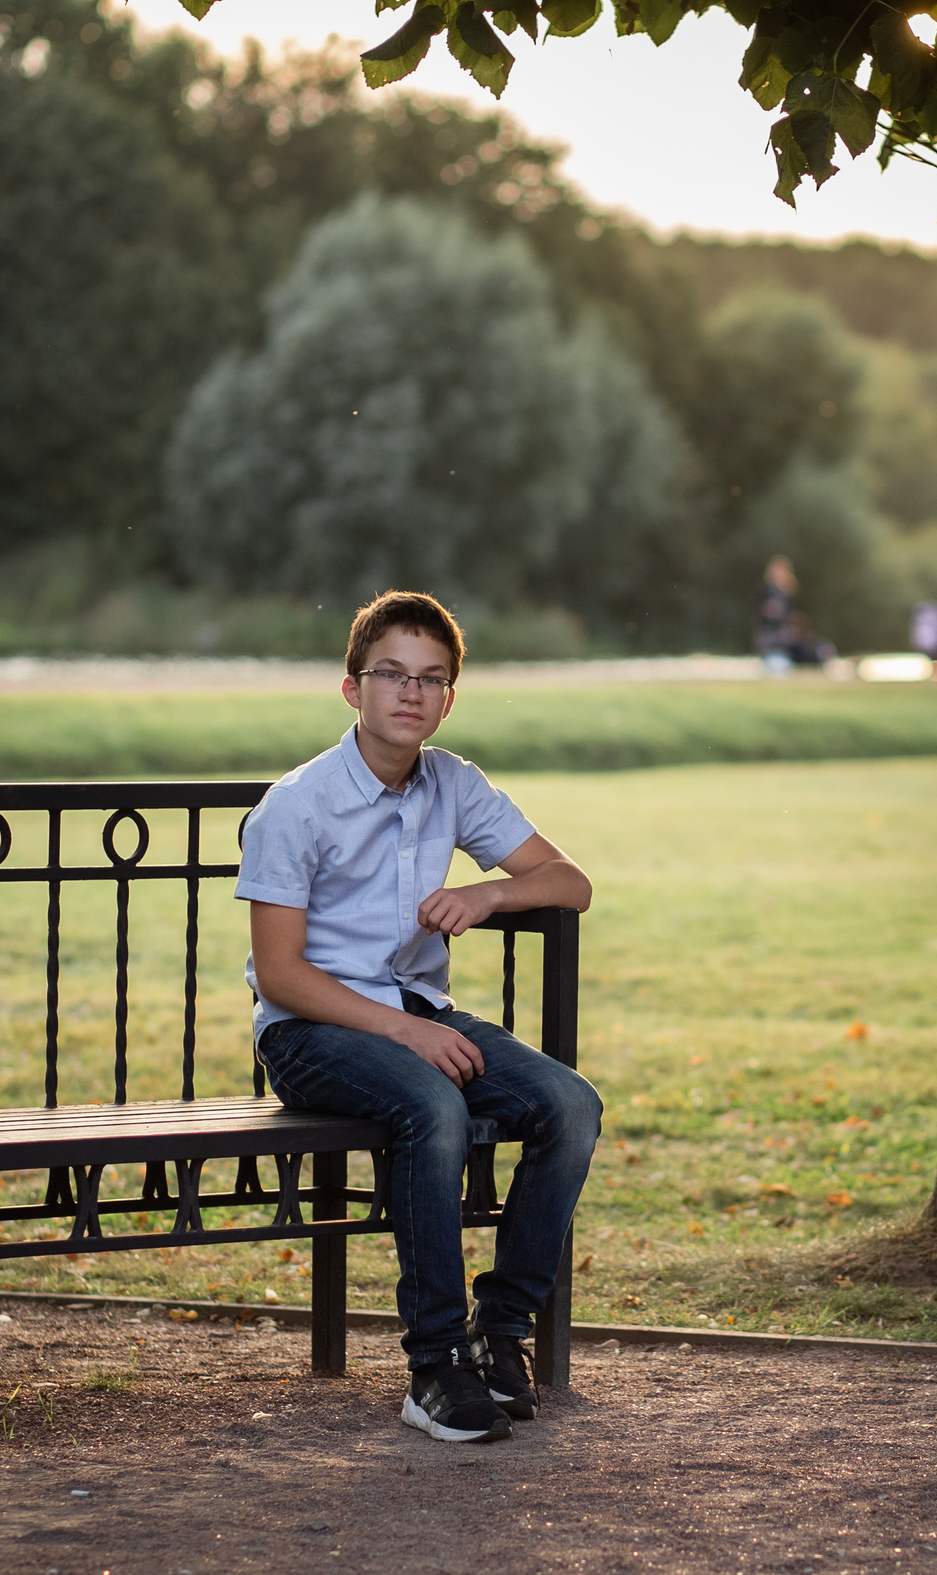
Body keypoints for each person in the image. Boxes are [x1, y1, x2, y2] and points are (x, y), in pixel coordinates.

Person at [237, 591, 601, 1444]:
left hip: (419, 1013)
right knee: (433, 1107)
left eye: (431, 678)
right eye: (391, 674)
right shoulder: (298, 804)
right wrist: (407, 1032)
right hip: (309, 1032)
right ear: (352, 688)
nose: (411, 692)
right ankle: (435, 1365)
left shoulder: (453, 782)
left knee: (571, 1105)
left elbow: (571, 882)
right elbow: (282, 974)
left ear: (449, 697)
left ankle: (499, 1333)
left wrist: (490, 891)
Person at [755, 555, 799, 675]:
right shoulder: (767, 589)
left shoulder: (787, 591)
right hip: (769, 632)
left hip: (781, 632)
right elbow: (764, 610)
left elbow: (788, 612)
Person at [910, 599, 937, 674]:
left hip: (934, 641)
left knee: (936, 656)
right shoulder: (923, 620)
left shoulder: (927, 619)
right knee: (933, 656)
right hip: (931, 642)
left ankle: (936, 672)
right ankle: (935, 672)